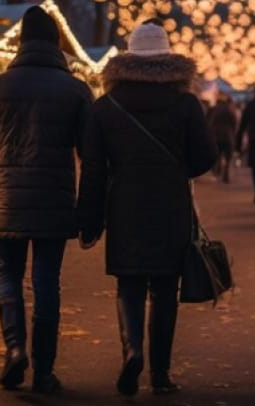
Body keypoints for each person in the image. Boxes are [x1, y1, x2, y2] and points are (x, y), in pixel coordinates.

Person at [77, 23, 217, 396]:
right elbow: (205, 157)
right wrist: (176, 170)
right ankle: (160, 374)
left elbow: (92, 168)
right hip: (171, 203)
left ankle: (132, 350)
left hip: (124, 203)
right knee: (165, 288)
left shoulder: (106, 106)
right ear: (169, 59)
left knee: (130, 282)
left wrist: (89, 222)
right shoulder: (186, 104)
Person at [0, 6, 92, 394]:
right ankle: (45, 371)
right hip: (54, 204)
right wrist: (87, 211)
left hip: (6, 202)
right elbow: (93, 158)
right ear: (55, 43)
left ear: (19, 43)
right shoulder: (76, 90)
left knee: (8, 277)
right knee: (47, 282)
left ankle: (15, 349)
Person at [206, 94, 238, 184]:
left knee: (217, 155)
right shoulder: (229, 110)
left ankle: (217, 171)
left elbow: (208, 122)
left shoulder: (213, 109)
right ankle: (226, 174)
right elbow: (234, 123)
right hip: (227, 136)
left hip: (215, 136)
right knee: (228, 157)